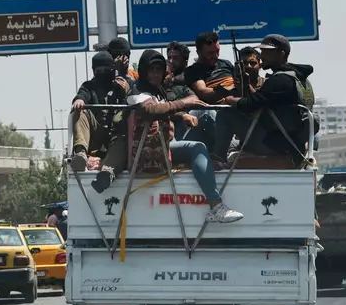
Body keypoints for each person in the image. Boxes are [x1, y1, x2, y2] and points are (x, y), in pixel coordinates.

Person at [91, 49, 244, 224]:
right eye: (152, 70)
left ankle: (219, 162)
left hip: (163, 144)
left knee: (202, 132)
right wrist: (183, 104)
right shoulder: (137, 91)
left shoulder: (159, 91)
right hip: (146, 148)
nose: (156, 74)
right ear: (143, 70)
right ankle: (215, 205)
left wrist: (182, 115)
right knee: (197, 148)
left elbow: (165, 107)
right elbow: (150, 110)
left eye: (159, 70)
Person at [217, 34, 318, 163]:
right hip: (292, 142)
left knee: (226, 115)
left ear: (281, 54)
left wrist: (230, 99)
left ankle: (217, 160)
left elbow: (249, 105)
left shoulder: (280, 80)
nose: (262, 56)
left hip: (274, 144)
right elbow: (261, 99)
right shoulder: (299, 78)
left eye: (267, 52)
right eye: (262, 51)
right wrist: (246, 84)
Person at [69, 51, 132, 171]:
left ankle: (108, 170)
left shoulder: (121, 84)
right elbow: (82, 94)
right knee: (81, 111)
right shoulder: (89, 86)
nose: (103, 74)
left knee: (121, 139)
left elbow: (137, 99)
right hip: (97, 131)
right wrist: (79, 100)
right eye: (99, 71)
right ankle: (80, 153)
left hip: (117, 132)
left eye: (106, 70)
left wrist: (127, 91)